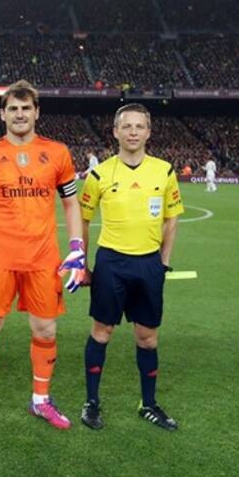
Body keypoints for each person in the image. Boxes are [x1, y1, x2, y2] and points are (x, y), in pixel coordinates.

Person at [0, 79, 84, 430]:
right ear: (2, 114)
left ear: (37, 112)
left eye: (26, 108)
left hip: (44, 259)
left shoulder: (58, 153)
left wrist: (77, 248)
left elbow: (71, 203)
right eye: (13, 108)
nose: (19, 114)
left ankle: (41, 401)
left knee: (45, 330)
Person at [78, 103, 184, 431]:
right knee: (102, 332)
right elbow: (82, 219)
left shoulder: (164, 171)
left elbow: (172, 218)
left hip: (148, 264)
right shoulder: (99, 175)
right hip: (111, 262)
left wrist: (163, 262)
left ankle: (148, 403)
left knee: (147, 337)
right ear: (115, 132)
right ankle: (92, 402)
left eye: (140, 127)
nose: (134, 132)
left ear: (149, 132)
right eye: (127, 127)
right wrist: (82, 263)